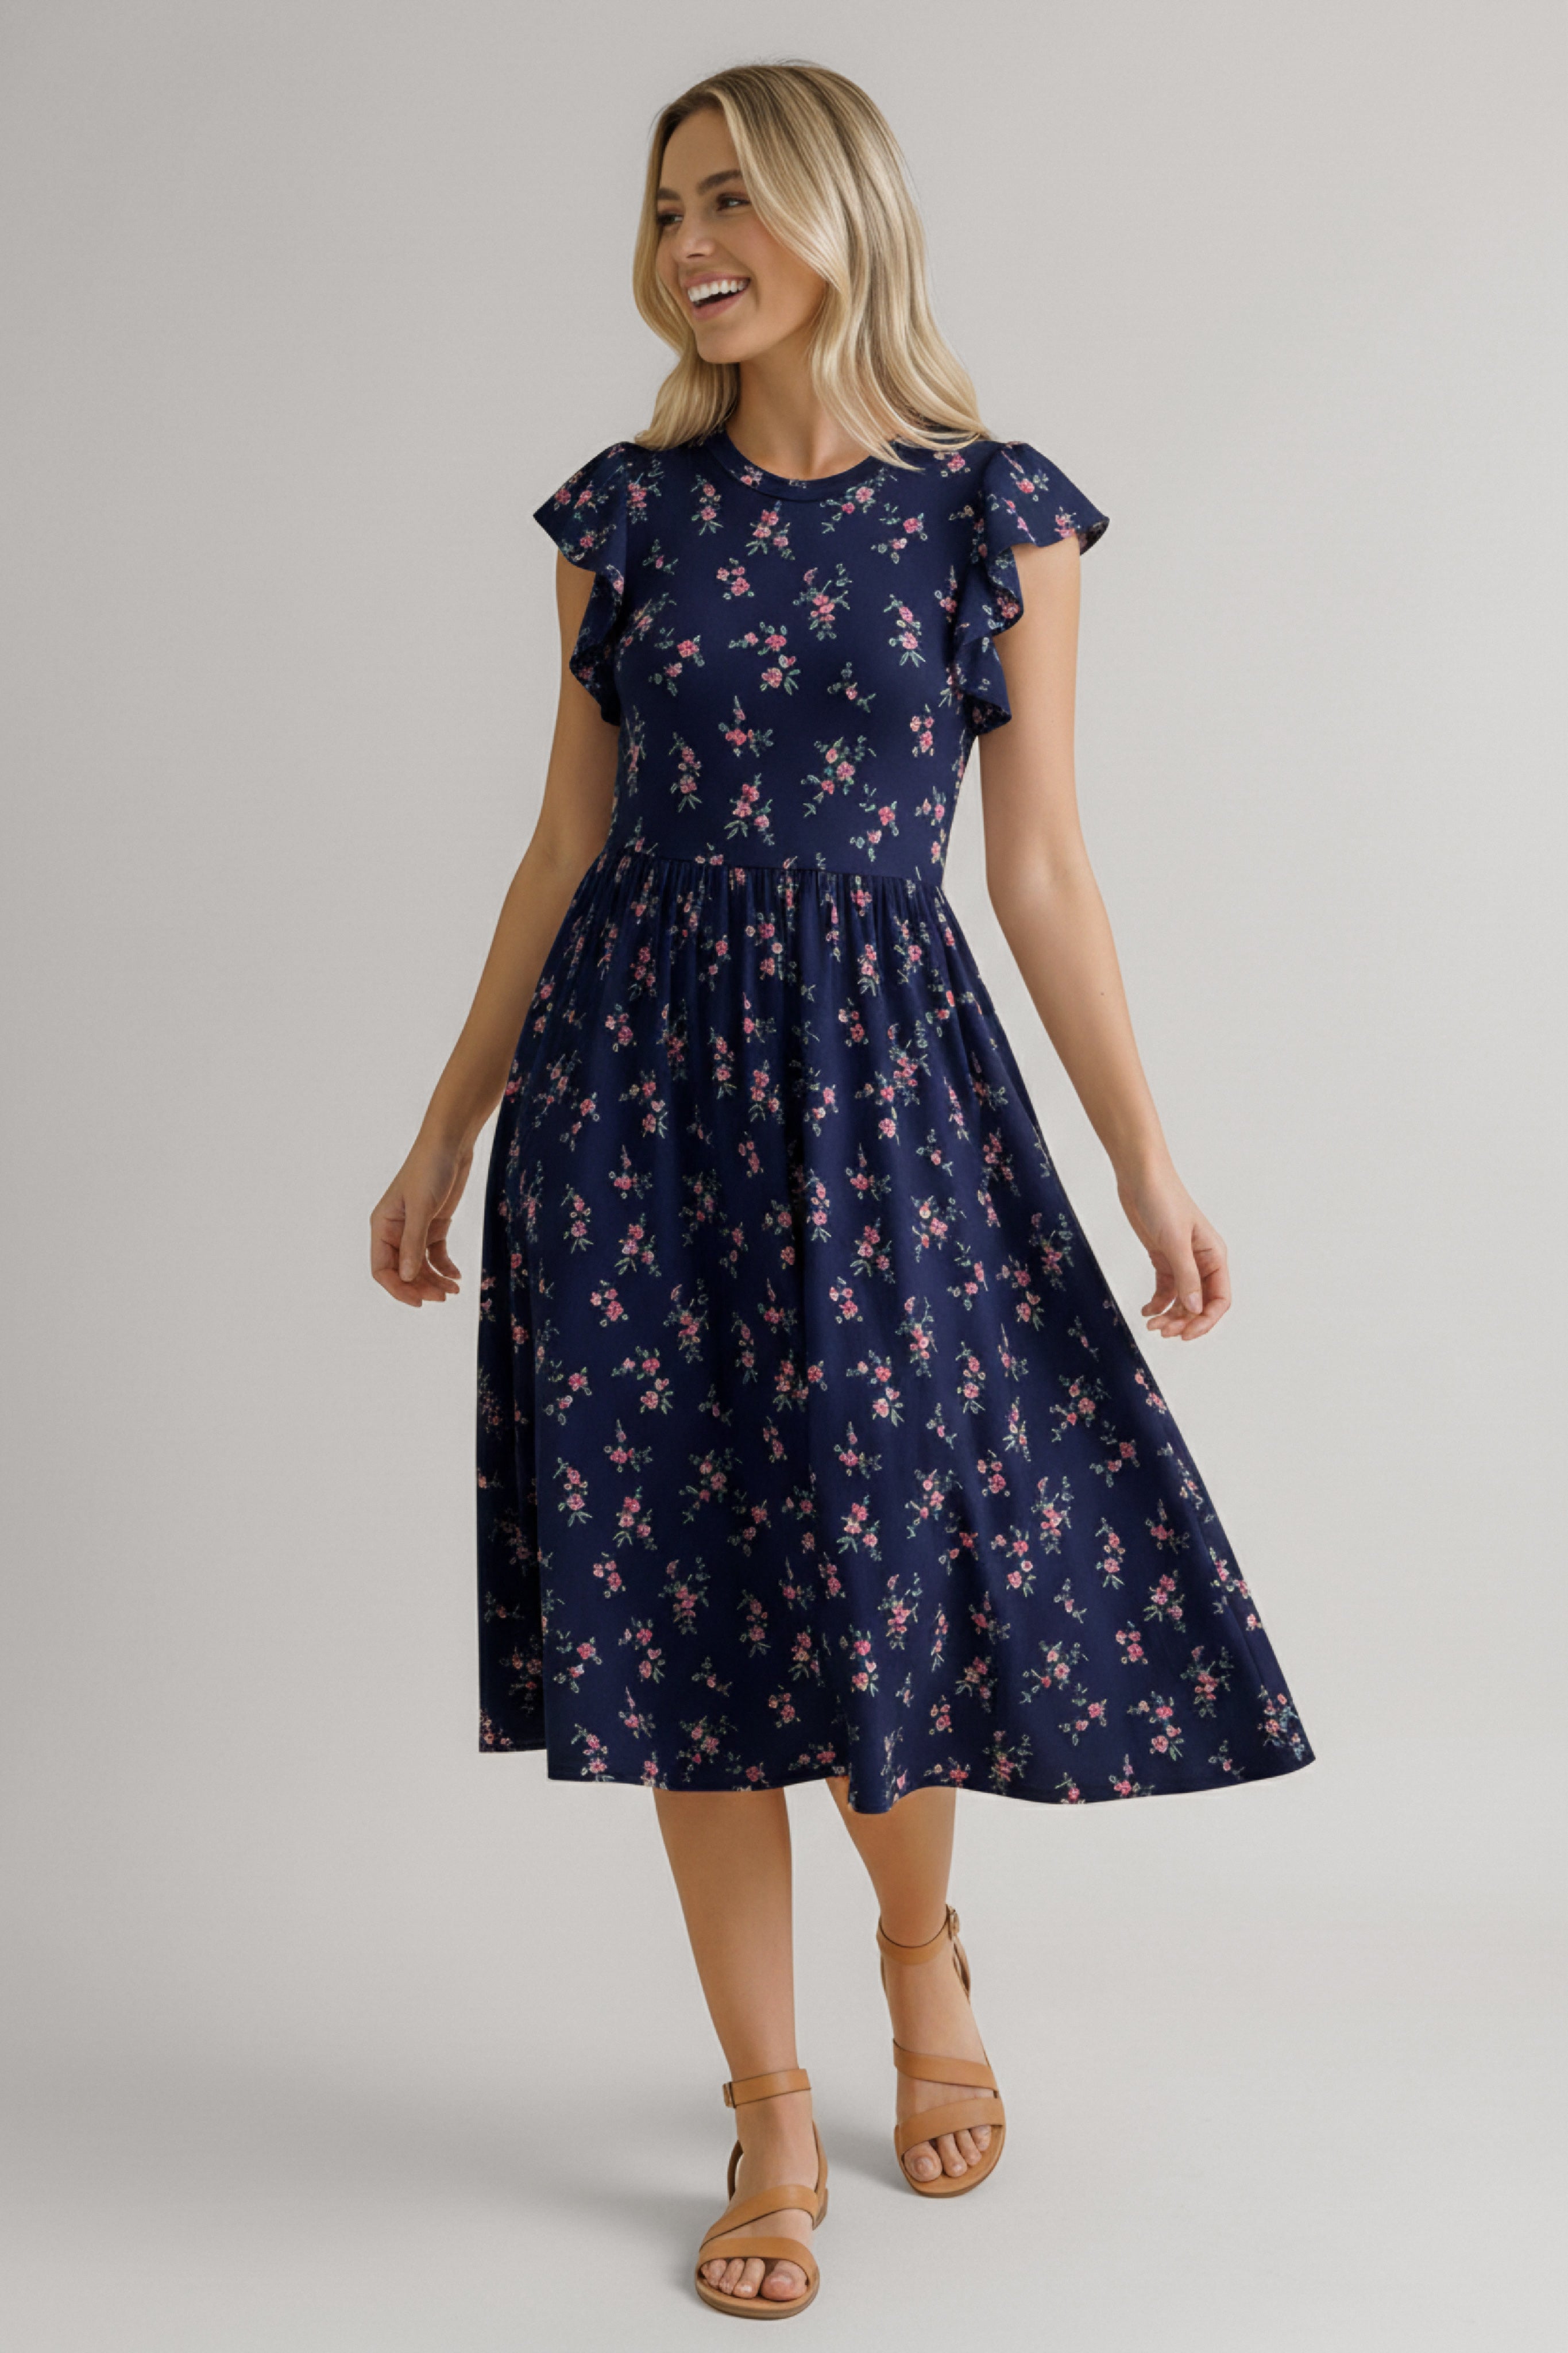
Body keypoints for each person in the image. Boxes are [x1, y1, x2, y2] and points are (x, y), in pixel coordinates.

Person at [370, 58, 1315, 2321]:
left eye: (732, 201)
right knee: (685, 1597)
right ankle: (769, 2103)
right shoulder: (622, 511)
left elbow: (1042, 866)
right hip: (629, 1100)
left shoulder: (998, 511)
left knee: (885, 1563)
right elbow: (566, 844)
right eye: (664, 204)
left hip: (889, 1093)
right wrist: (446, 1121)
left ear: (837, 219)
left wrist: (1143, 1155)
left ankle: (918, 1940)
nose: (690, 242)